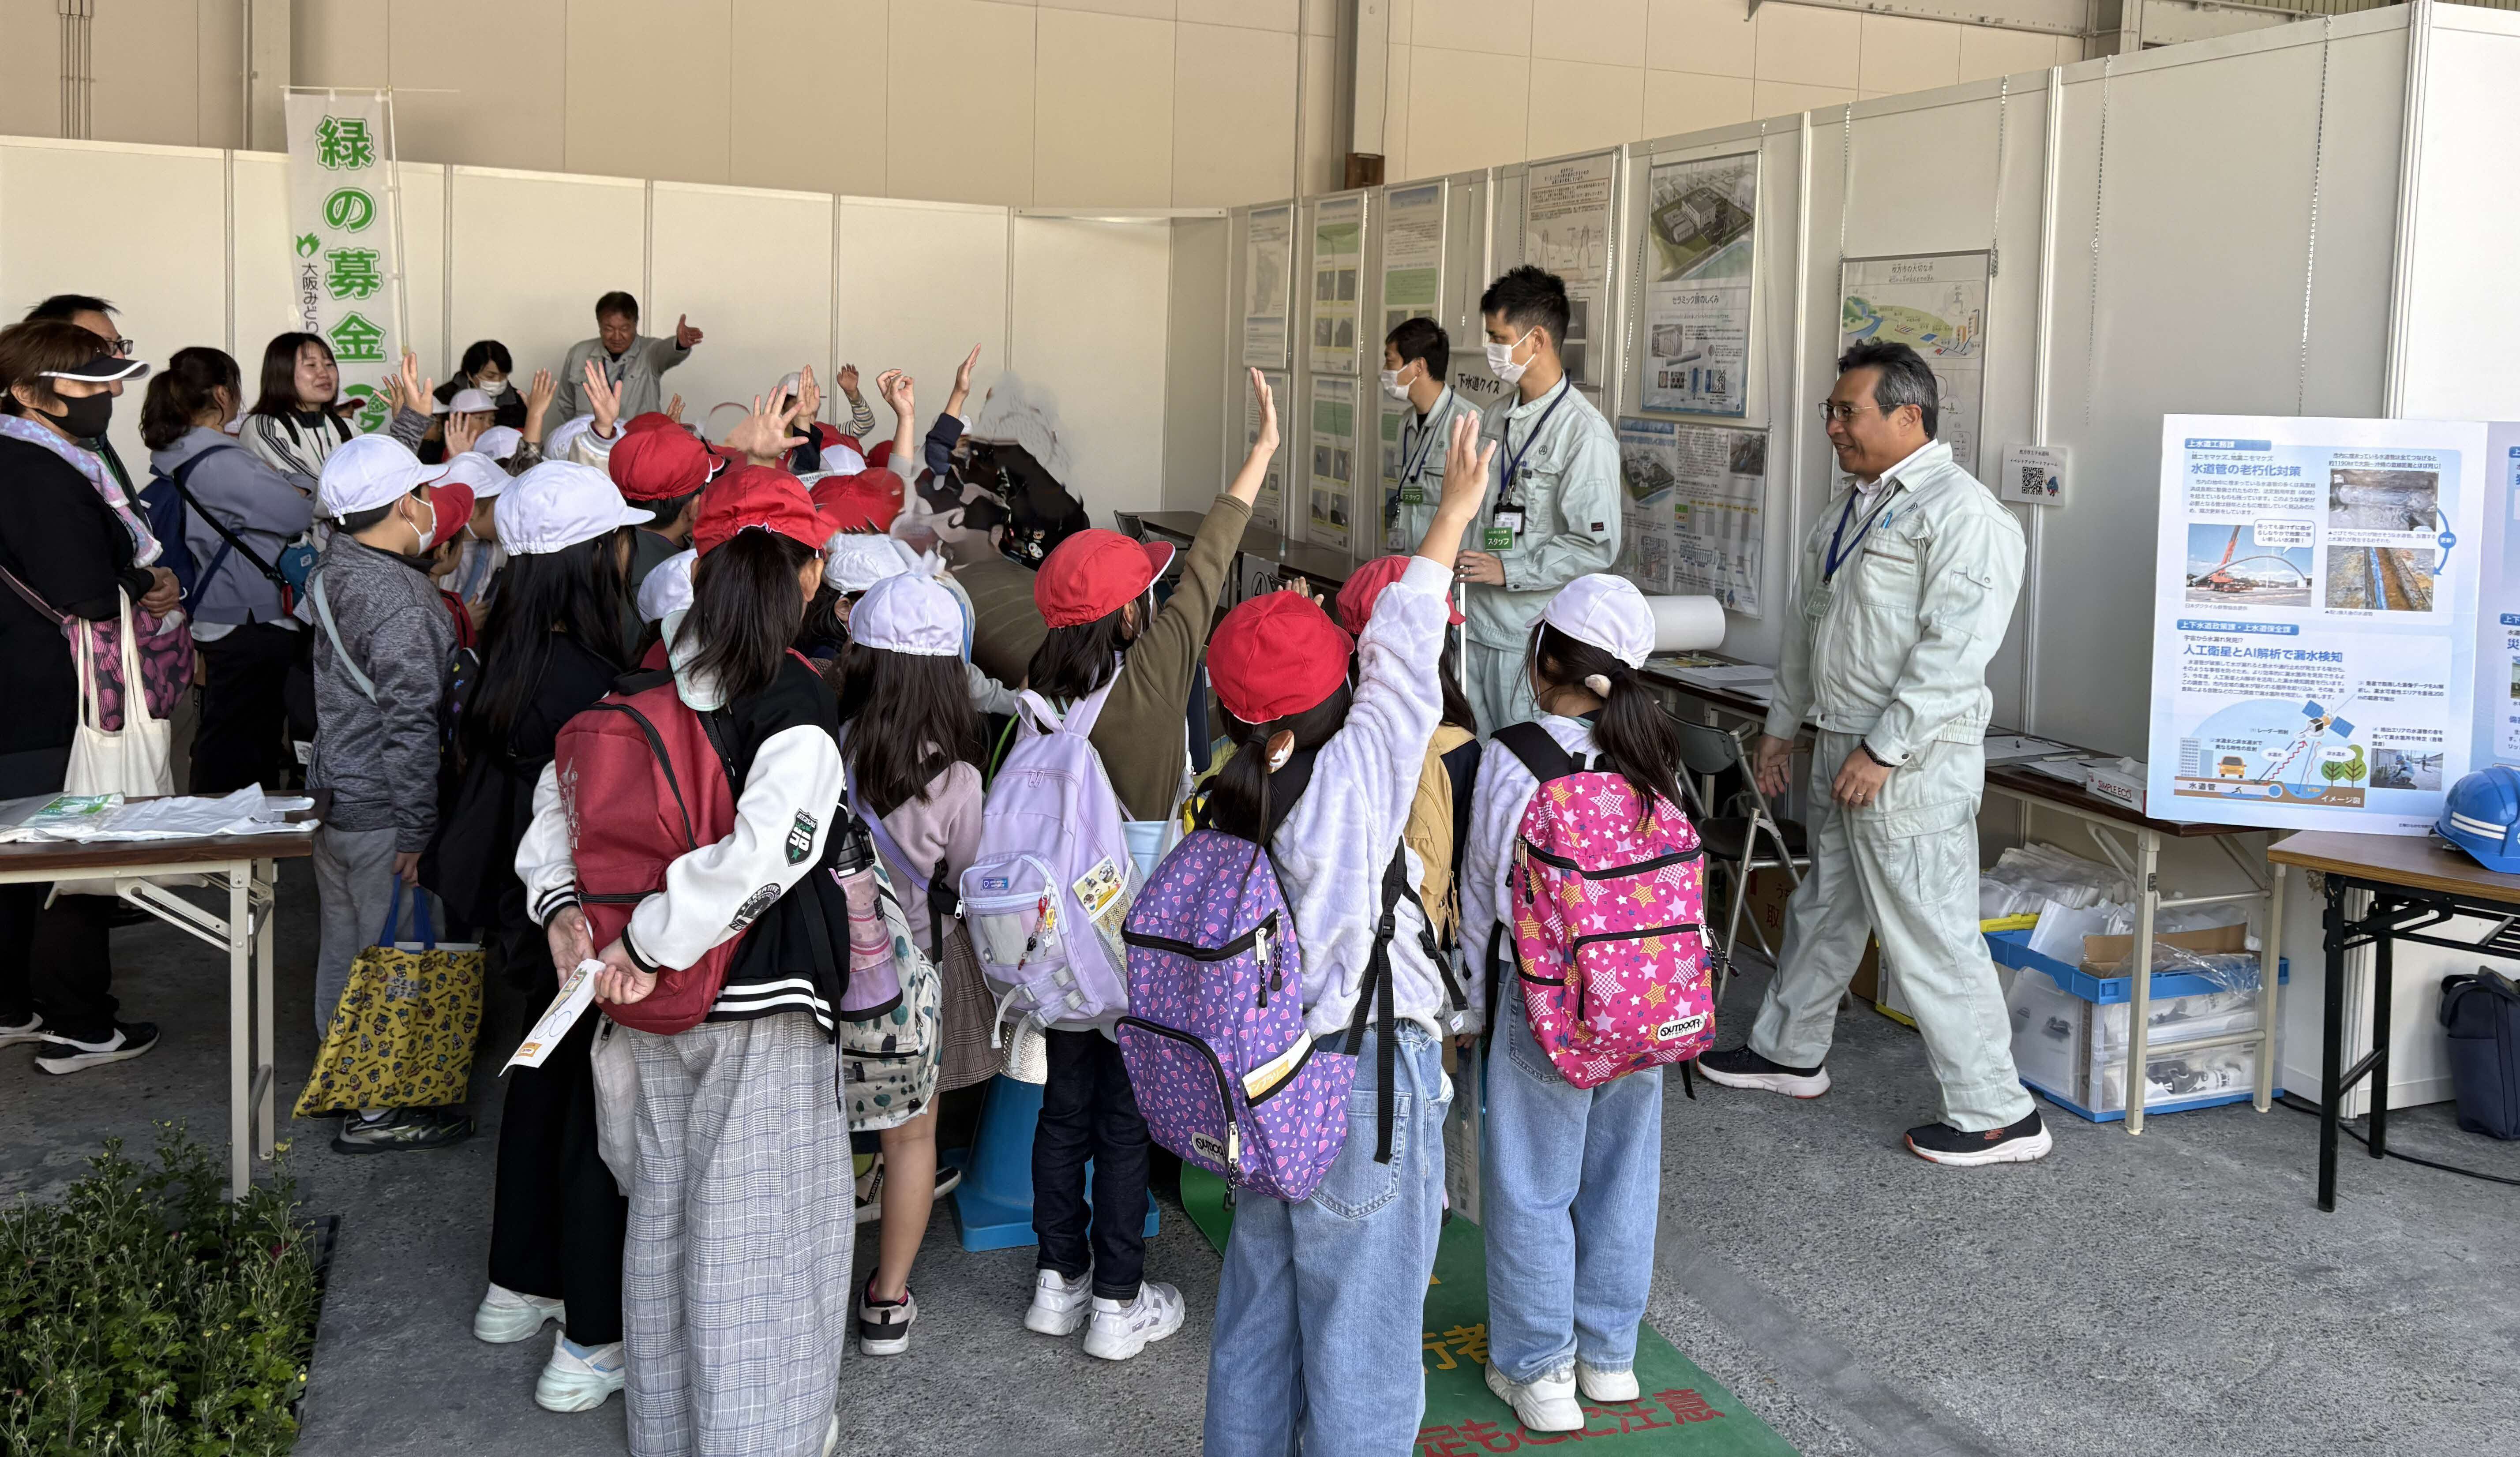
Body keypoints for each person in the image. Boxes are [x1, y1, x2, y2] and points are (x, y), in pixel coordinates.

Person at [517, 467, 851, 1457]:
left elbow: (558, 796)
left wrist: (570, 919)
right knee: (762, 1252)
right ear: (811, 570)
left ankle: (666, 1434)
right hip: (759, 1002)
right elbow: (769, 854)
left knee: (661, 1231)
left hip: (632, 1008)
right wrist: (648, 945)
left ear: (700, 564)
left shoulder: (645, 668)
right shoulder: (795, 698)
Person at [1197, 416, 1489, 1457]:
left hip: (1262, 1083)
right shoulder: (1359, 781)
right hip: (1361, 1081)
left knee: (1258, 1321)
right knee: (1364, 1341)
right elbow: (1409, 643)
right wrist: (1452, 513)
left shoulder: (1227, 790)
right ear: (1339, 690)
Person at [1700, 341, 2044, 1165]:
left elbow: (1953, 654)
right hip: (1841, 740)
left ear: (1908, 415)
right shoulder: (1852, 507)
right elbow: (1808, 627)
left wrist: (1884, 751)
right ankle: (1789, 1051)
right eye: (1831, 410)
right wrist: (1783, 728)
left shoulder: (1963, 516)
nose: (1832, 425)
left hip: (1909, 757)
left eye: (1846, 411)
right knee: (1827, 906)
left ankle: (1999, 1111)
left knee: (1930, 929)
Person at [1017, 368, 1278, 1361]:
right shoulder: (1153, 680)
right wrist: (1258, 453)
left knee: (1063, 1104)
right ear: (1132, 614)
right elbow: (1211, 563)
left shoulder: (1038, 683)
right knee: (1125, 1118)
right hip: (1129, 940)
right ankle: (1118, 1301)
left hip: (1050, 940)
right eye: (1148, 592)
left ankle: (1058, 1278)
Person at [1459, 573, 1689, 1433]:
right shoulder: (1650, 752)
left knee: (1531, 1183)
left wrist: (1474, 1012)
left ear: (1542, 656)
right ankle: (1610, 1357)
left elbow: (1487, 893)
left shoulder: (1513, 754)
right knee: (1624, 1179)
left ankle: (1539, 1369)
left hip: (1546, 1000)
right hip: (1645, 1001)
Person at [457, 460, 646, 1414]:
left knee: (538, 1095)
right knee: (593, 1124)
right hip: (583, 922)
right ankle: (590, 1339)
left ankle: (514, 1284)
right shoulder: (595, 681)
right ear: (593, 558)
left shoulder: (509, 654)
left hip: (524, 922)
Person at [834, 571, 991, 1359]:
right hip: (907, 979)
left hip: (831, 967)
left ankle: (811, 1277)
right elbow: (966, 877)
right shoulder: (959, 780)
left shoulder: (836, 744)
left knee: (826, 1124)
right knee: (911, 1135)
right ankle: (885, 1302)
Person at [0, 321, 164, 1074]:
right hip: (51, 693)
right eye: (92, 383)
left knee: (15, 861)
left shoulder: (26, 453)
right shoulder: (41, 469)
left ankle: (15, 1005)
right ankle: (79, 1024)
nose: (110, 394)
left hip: (18, 690)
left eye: (113, 379)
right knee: (71, 856)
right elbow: (87, 591)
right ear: (31, 392)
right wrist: (141, 582)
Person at [305, 433, 472, 1153]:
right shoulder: (401, 600)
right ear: (406, 503)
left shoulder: (335, 563)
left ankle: (338, 1075)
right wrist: (416, 831)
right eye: (426, 493)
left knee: (343, 947)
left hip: (335, 796)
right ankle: (375, 1111)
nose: (432, 506)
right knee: (392, 958)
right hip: (382, 809)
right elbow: (410, 724)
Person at [139, 346, 315, 793]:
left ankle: (225, 847)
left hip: (217, 613)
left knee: (226, 734)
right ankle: (226, 848)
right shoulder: (222, 458)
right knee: (242, 746)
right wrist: (297, 491)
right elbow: (295, 515)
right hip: (249, 617)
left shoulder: (178, 453)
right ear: (222, 393)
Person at [1458, 266, 1620, 737]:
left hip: (1529, 645)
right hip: (1470, 628)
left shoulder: (1584, 435)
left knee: (1522, 774)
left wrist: (1511, 570)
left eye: (1499, 337)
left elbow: (1596, 547)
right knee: (1468, 770)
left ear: (1538, 340)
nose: (1492, 351)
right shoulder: (1493, 418)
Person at [243, 336, 430, 492]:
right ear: (282, 373)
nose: (324, 373)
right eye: (311, 365)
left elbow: (384, 480)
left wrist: (405, 424)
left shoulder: (345, 427)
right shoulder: (265, 427)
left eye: (329, 364)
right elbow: (314, 495)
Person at [20, 295, 141, 501]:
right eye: (103, 345)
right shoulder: (27, 460)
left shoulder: (85, 432)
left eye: (119, 344)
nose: (120, 356)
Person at [1381, 316, 1481, 555]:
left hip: (1445, 571)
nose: (1385, 372)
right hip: (1405, 563)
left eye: (1390, 362)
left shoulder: (1469, 423)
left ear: (1418, 367)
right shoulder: (1406, 422)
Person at [550, 291, 699, 423]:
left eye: (624, 329)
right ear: (599, 325)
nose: (616, 336)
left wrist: (680, 344)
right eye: (609, 329)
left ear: (635, 324)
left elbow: (668, 352)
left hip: (639, 444)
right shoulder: (578, 353)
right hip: (589, 445)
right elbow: (566, 404)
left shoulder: (650, 352)